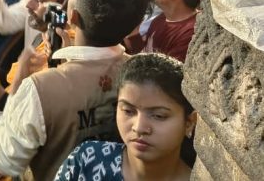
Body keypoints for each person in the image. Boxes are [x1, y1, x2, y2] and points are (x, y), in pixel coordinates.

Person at [0, 0, 149, 180]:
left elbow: (6, 161)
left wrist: (19, 82)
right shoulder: (147, 75)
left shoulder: (39, 88)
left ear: (73, 17)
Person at [56, 53, 196, 181]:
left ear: (189, 122)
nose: (139, 127)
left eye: (158, 116)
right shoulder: (87, 160)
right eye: (128, 111)